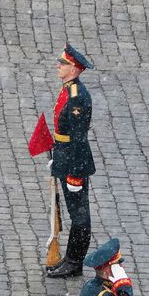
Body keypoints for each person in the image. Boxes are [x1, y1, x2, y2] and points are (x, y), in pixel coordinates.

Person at [43, 43, 95, 279]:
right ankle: (70, 259)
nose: (59, 65)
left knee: (79, 215)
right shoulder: (68, 90)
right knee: (75, 211)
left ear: (73, 69)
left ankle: (75, 261)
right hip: (65, 154)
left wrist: (72, 169)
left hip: (75, 160)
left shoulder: (76, 97)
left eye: (63, 63)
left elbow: (76, 136)